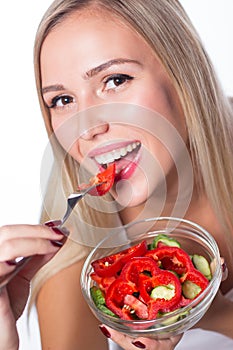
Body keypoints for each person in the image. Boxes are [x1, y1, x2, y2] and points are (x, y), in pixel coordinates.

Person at [1, 0, 233, 349]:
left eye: (115, 80)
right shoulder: (73, 248)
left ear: (182, 71)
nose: (86, 127)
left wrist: (213, 315)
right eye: (63, 101)